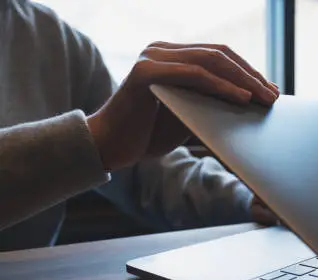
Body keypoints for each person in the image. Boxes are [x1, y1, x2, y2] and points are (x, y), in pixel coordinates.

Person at [0, 0, 279, 251]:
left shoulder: (54, 38)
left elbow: (140, 164)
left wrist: (250, 201)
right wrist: (98, 139)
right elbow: (106, 141)